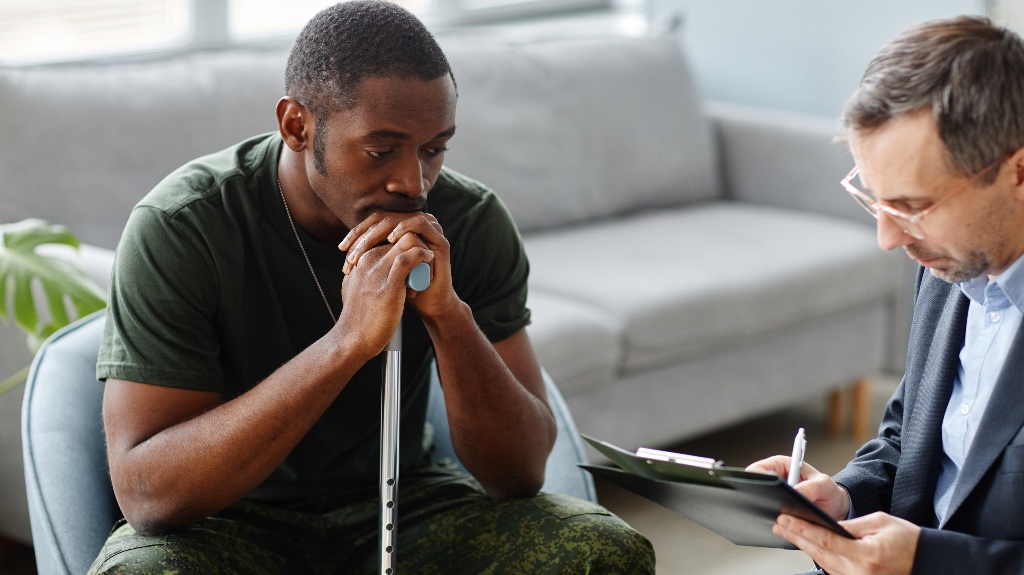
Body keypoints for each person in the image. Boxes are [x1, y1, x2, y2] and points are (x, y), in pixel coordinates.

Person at [87, 2, 655, 573]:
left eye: (434, 149)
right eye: (381, 150)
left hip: (409, 501)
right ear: (297, 126)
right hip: (229, 521)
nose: (413, 182)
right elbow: (149, 495)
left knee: (602, 550)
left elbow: (519, 474)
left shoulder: (471, 220)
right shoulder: (183, 226)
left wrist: (448, 315)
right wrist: (347, 342)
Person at [747, 15, 1024, 575]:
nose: (888, 239)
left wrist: (931, 563)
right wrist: (843, 500)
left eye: (913, 207)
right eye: (876, 201)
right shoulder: (953, 266)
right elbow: (908, 439)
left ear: (1018, 172)